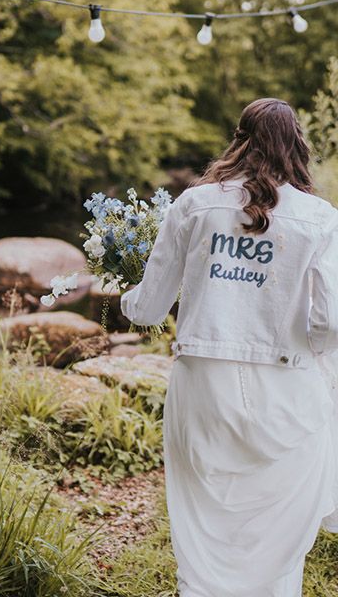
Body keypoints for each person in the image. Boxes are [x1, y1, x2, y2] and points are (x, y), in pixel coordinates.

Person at [120, 97, 338, 597]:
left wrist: (126, 295)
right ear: (297, 146)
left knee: (204, 513)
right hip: (286, 383)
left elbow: (149, 309)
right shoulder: (320, 217)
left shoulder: (193, 204)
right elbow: (330, 323)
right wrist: (309, 347)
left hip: (203, 382)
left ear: (239, 139)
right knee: (277, 517)